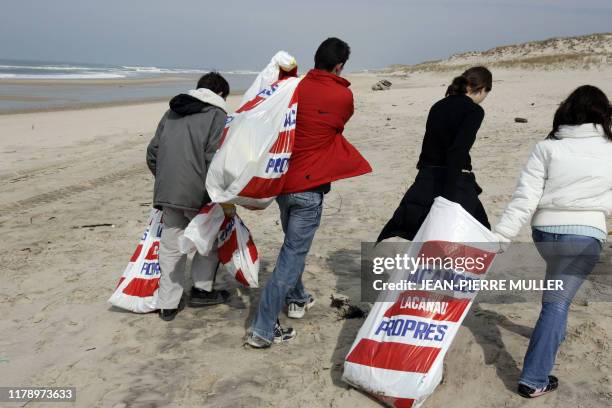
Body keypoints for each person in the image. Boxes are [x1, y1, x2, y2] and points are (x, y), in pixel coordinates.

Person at [245, 37, 372, 348]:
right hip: (310, 189)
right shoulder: (343, 96)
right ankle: (263, 328)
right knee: (291, 257)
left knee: (293, 248)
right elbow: (337, 125)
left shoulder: (294, 87)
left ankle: (298, 297)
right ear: (340, 65)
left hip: (282, 185)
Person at [494, 85, 612, 398]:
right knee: (556, 303)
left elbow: (525, 197)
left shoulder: (547, 147)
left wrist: (502, 235)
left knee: (557, 292)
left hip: (545, 234)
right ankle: (533, 380)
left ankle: (551, 340)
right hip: (585, 235)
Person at [146, 72, 235, 321]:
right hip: (200, 191)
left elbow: (153, 151)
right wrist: (219, 194)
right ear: (220, 95)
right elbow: (214, 158)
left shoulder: (172, 111)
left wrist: (165, 179)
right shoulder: (217, 115)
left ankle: (168, 304)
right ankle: (201, 290)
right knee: (208, 241)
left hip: (168, 190)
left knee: (171, 245)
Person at [377, 67, 493, 242]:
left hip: (427, 175)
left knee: (422, 232)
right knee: (479, 233)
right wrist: (448, 196)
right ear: (481, 89)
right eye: (486, 93)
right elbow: (458, 150)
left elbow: (430, 142)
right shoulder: (474, 110)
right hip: (455, 179)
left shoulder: (438, 105)